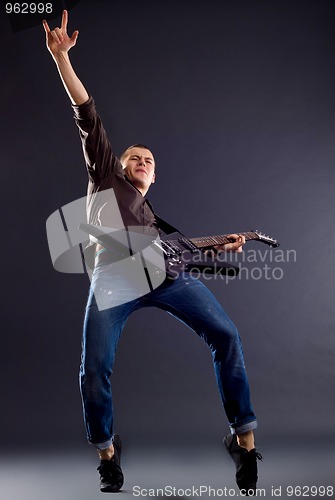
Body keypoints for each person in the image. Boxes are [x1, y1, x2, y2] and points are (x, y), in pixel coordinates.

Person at [43, 10, 262, 495]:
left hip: (167, 277)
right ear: (119, 165)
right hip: (113, 281)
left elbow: (172, 250)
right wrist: (62, 59)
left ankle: (244, 445)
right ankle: (107, 453)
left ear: (154, 177)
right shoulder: (106, 176)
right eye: (135, 157)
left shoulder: (150, 215)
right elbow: (87, 115)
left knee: (226, 334)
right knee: (94, 369)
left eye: (149, 161)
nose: (142, 162)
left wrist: (218, 244)